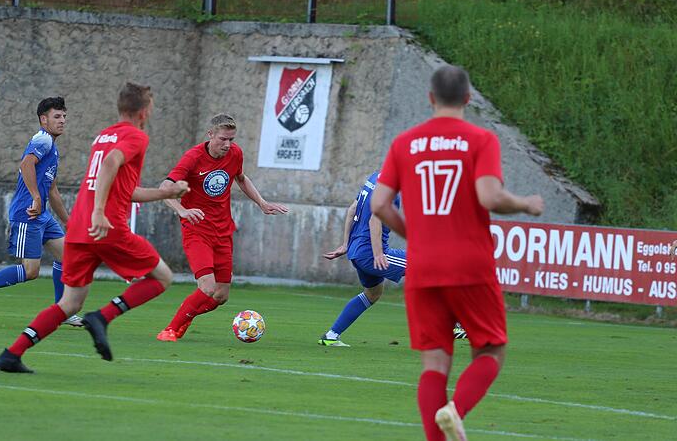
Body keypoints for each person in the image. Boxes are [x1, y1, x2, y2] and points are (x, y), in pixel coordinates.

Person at [371, 65, 543, 441]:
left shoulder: (405, 143)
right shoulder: (480, 139)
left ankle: (439, 427)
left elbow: (381, 205)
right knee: (491, 350)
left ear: (430, 98)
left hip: (423, 265)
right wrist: (526, 203)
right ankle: (455, 410)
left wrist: (415, 235)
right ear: (468, 99)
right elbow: (490, 197)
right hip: (470, 263)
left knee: (434, 362)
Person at [0, 82, 189, 373]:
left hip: (80, 229)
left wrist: (165, 193)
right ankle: (103, 317)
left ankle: (11, 354)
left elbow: (124, 188)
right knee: (162, 277)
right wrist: (100, 211)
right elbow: (111, 165)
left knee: (70, 303)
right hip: (106, 227)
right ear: (145, 111)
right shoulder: (137, 136)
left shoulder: (104, 136)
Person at [155, 114, 289, 342]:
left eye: (231, 139)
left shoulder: (235, 153)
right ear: (210, 135)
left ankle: (185, 315)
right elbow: (165, 187)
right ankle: (170, 330)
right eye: (223, 139)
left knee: (220, 296)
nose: (228, 145)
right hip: (196, 230)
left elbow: (241, 178)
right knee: (207, 287)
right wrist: (182, 210)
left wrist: (262, 203)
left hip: (223, 231)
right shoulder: (193, 157)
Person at [0, 97, 82, 326]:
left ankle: (62, 311)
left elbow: (53, 189)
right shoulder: (42, 140)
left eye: (64, 116)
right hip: (28, 213)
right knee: (31, 270)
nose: (63, 120)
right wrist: (36, 196)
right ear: (43, 120)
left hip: (42, 215)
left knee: (68, 257)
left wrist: (68, 220)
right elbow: (26, 164)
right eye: (57, 116)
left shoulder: (52, 149)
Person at [321, 172, 467, 347]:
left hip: (356, 252)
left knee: (373, 294)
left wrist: (346, 244)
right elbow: (374, 220)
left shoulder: (375, 178)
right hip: (370, 254)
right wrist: (377, 254)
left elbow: (353, 208)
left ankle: (331, 335)